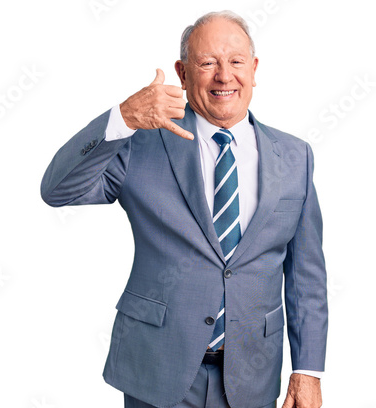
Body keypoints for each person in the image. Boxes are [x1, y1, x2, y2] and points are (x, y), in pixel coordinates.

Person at [40, 10, 327, 408]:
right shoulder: (141, 144)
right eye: (207, 63)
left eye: (236, 62)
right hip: (157, 369)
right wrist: (121, 119)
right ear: (183, 72)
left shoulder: (296, 156)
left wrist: (308, 370)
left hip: (252, 375)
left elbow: (306, 277)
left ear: (254, 68)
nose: (224, 76)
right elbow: (57, 190)